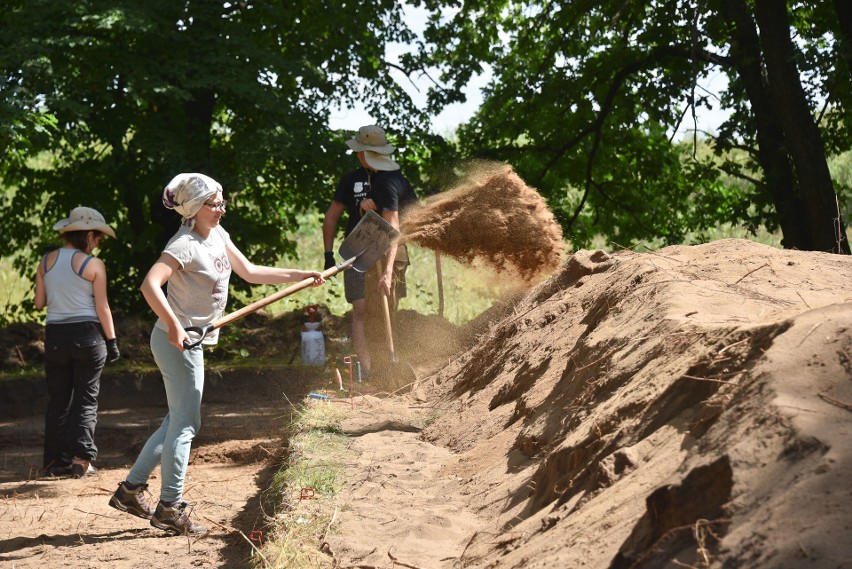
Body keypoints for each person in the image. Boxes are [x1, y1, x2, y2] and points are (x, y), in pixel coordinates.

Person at [109, 173, 325, 536]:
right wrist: (175, 326)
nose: (222, 209)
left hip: (191, 341)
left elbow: (251, 272)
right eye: (215, 204)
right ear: (195, 209)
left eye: (223, 202)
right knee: (185, 425)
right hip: (176, 342)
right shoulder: (184, 244)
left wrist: (300, 274)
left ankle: (131, 491)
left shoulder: (218, 236)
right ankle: (169, 507)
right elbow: (149, 284)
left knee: (176, 420)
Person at [322, 125, 418, 377]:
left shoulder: (390, 179)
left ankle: (390, 367)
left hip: (387, 252)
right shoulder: (364, 177)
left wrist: (387, 271)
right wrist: (328, 255)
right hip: (359, 249)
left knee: (385, 309)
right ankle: (371, 370)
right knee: (364, 309)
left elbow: (396, 224)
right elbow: (332, 217)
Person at [35, 206, 120, 479]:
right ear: (89, 235)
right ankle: (80, 461)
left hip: (55, 336)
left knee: (58, 401)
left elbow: (39, 304)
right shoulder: (93, 265)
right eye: (98, 239)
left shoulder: (45, 261)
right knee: (86, 400)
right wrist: (112, 341)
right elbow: (102, 307)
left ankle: (53, 463)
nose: (98, 244)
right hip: (88, 336)